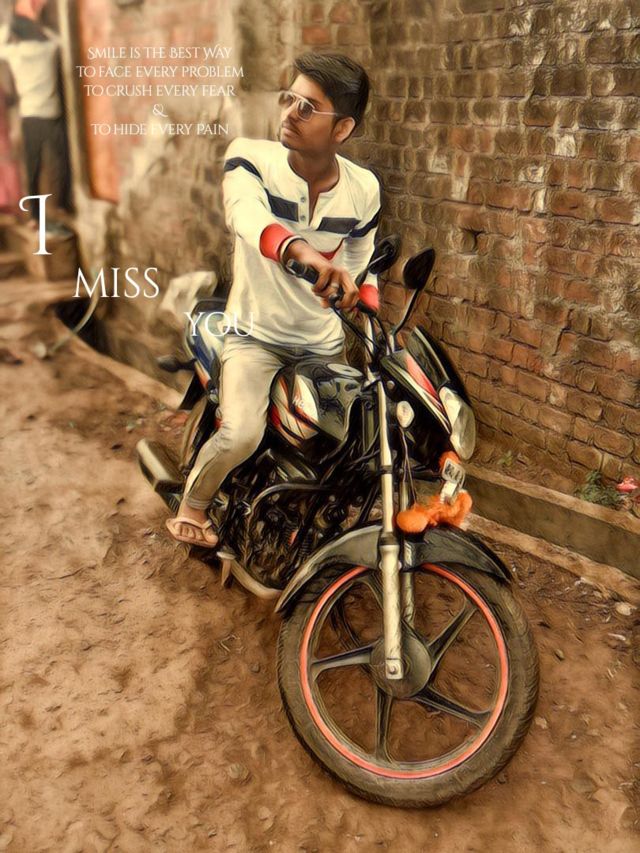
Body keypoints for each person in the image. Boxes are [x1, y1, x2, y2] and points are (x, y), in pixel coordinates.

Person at [166, 52, 381, 548]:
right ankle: (192, 507)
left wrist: (364, 295)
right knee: (242, 433)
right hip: (254, 338)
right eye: (289, 99)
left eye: (308, 107)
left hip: (322, 344)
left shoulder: (363, 189)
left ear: (343, 128)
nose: (289, 113)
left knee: (340, 446)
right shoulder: (250, 158)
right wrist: (304, 253)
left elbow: (361, 260)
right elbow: (249, 218)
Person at [0, 0, 72, 225]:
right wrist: (41, 27)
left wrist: (9, 25)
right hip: (53, 114)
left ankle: (34, 216)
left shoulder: (15, 53)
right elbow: (61, 41)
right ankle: (63, 203)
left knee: (33, 165)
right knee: (62, 161)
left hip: (30, 116)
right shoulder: (47, 49)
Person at [0, 59, 21, 212]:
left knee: (7, 161)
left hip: (3, 131)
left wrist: (15, 128)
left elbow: (12, 103)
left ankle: (10, 202)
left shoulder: (3, 66)